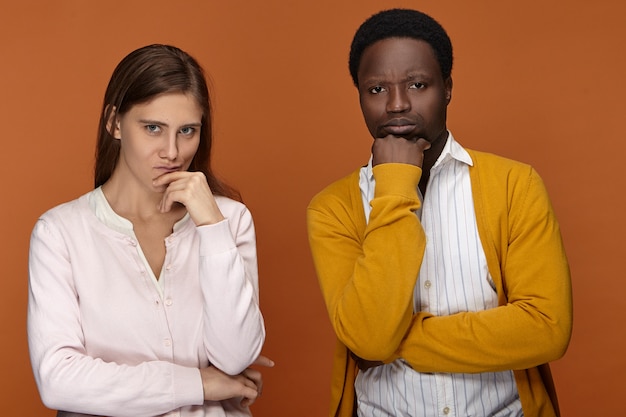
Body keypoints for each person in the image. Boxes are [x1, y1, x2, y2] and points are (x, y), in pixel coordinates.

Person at [307, 8, 572, 417]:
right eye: (376, 89)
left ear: (447, 88)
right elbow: (367, 341)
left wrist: (397, 342)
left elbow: (546, 329)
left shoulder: (514, 185)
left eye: (417, 84)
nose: (397, 105)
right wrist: (395, 182)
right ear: (359, 95)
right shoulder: (333, 209)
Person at [28, 44, 272, 417]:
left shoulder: (229, 221)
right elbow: (58, 379)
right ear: (114, 122)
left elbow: (237, 354)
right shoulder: (59, 233)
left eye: (187, 130)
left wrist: (211, 225)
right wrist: (201, 383)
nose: (172, 152)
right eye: (153, 128)